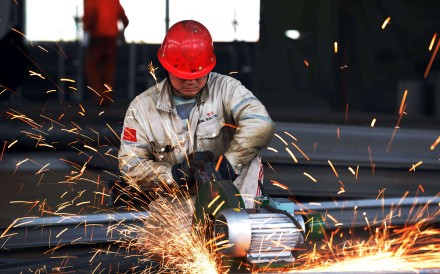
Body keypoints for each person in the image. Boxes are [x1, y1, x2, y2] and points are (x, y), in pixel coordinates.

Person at [118, 20, 275, 208]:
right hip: (177, 204)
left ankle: (243, 218)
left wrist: (226, 166)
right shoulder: (142, 108)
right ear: (167, 68)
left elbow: (261, 124)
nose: (191, 82)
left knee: (248, 159)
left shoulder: (227, 89)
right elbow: (130, 165)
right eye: (183, 77)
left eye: (198, 76)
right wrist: (175, 174)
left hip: (234, 195)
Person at [83, 0, 129, 106]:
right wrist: (122, 33)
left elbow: (90, 16)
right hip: (112, 39)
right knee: (109, 69)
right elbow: (125, 20)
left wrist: (86, 32)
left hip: (97, 38)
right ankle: (107, 98)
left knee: (90, 67)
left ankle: (99, 97)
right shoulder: (114, 1)